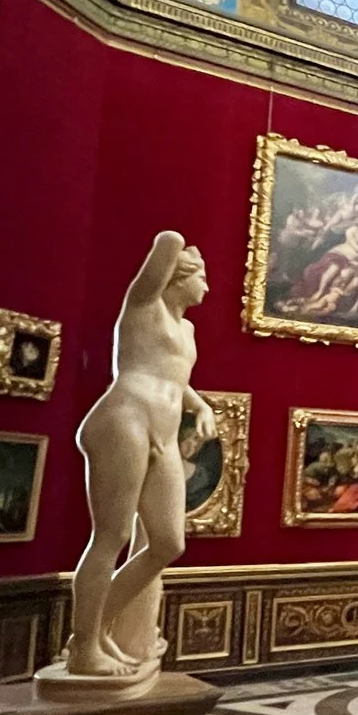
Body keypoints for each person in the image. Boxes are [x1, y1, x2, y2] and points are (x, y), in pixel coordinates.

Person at [62, 230, 211, 677]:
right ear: (177, 277)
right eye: (202, 277)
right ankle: (85, 647)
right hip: (124, 419)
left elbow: (172, 376)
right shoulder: (144, 305)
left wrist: (199, 404)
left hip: (163, 431)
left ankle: (95, 625)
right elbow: (167, 241)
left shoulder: (186, 329)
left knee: (168, 542)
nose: (208, 287)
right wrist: (181, 246)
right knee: (111, 536)